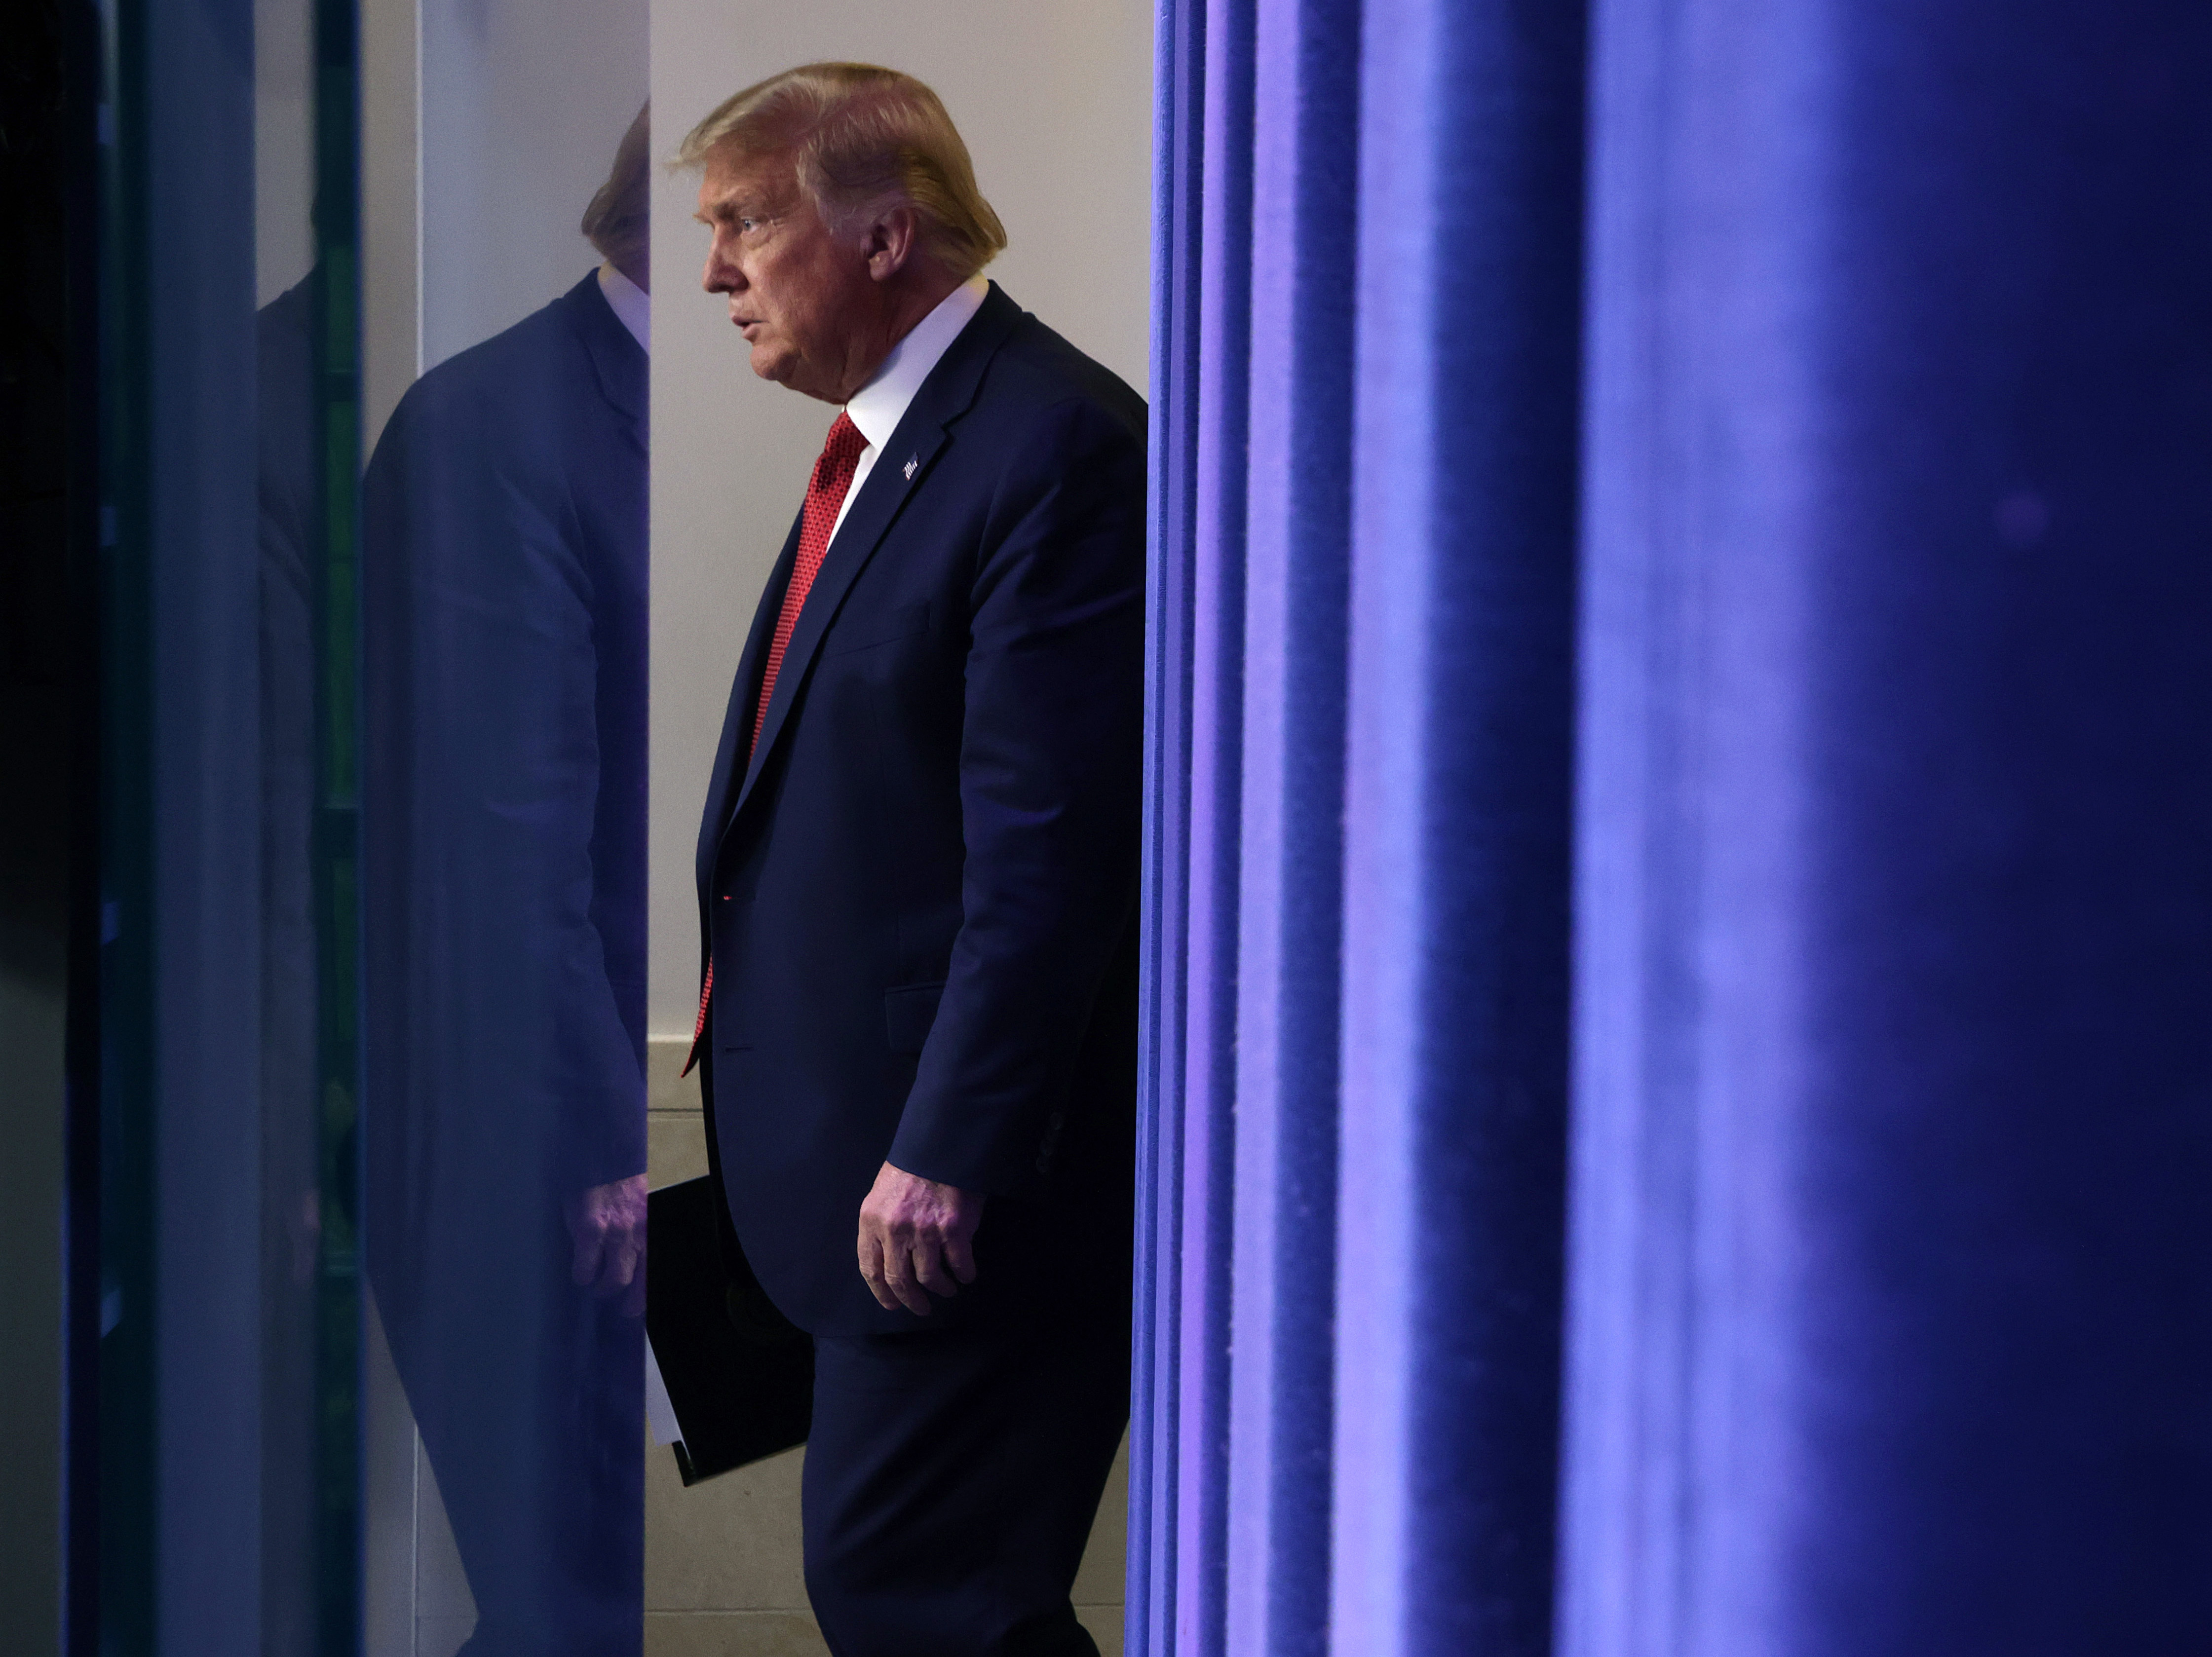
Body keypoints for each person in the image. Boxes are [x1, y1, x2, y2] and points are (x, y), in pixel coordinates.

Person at [677, 63, 1145, 1657]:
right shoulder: (885, 448)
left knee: (925, 1603)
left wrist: (948, 1149)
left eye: (742, 221)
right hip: (839, 1178)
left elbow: (1051, 851)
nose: (715, 271)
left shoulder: (1055, 444)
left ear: (883, 234)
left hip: (951, 1199)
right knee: (915, 1598)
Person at [361, 102, 652, 1657]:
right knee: (567, 1612)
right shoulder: (501, 426)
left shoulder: (668, 409)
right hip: (533, 1160)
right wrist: (608, 1140)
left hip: (611, 1149)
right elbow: (501, 837)